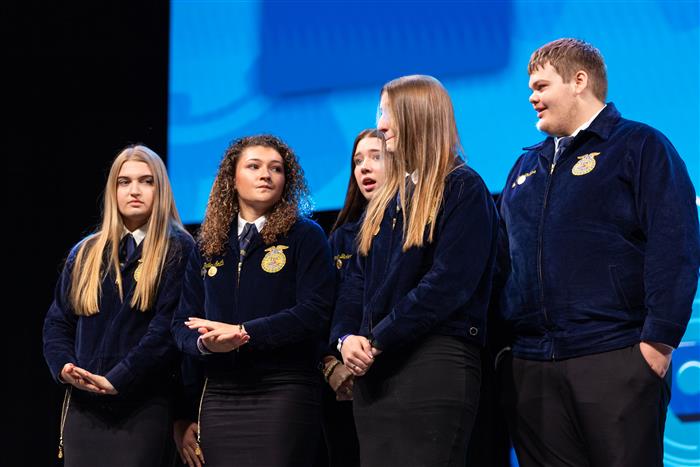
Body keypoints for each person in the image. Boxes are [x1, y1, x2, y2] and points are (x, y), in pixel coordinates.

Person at [495, 38, 700, 467]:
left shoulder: (640, 146)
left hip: (614, 355)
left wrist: (657, 345)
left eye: (541, 86)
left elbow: (675, 244)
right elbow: (503, 263)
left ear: (579, 81)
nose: (531, 97)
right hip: (533, 368)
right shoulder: (524, 168)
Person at [332, 75, 499, 467]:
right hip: (375, 373)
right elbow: (355, 282)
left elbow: (448, 284)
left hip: (433, 364)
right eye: (380, 113)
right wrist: (345, 339)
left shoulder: (462, 188)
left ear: (417, 116)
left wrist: (377, 338)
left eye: (388, 113)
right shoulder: (385, 200)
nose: (381, 124)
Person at [172, 134, 335, 467]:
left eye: (276, 168)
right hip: (220, 394)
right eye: (254, 166)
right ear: (232, 179)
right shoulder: (208, 245)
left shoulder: (305, 235)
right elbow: (182, 323)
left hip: (284, 388)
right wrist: (205, 344)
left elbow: (314, 311)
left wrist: (245, 332)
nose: (266, 175)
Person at [43, 145, 195, 467]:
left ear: (161, 189)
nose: (134, 190)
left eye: (146, 181)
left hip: (143, 407)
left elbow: (165, 332)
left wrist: (118, 379)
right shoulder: (85, 252)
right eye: (124, 182)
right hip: (84, 408)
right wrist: (65, 367)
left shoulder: (179, 248)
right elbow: (57, 322)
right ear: (112, 190)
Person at [322, 128, 385, 467]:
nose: (365, 168)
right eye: (358, 161)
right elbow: (322, 311)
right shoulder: (339, 238)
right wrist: (330, 364)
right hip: (343, 385)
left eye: (376, 157)